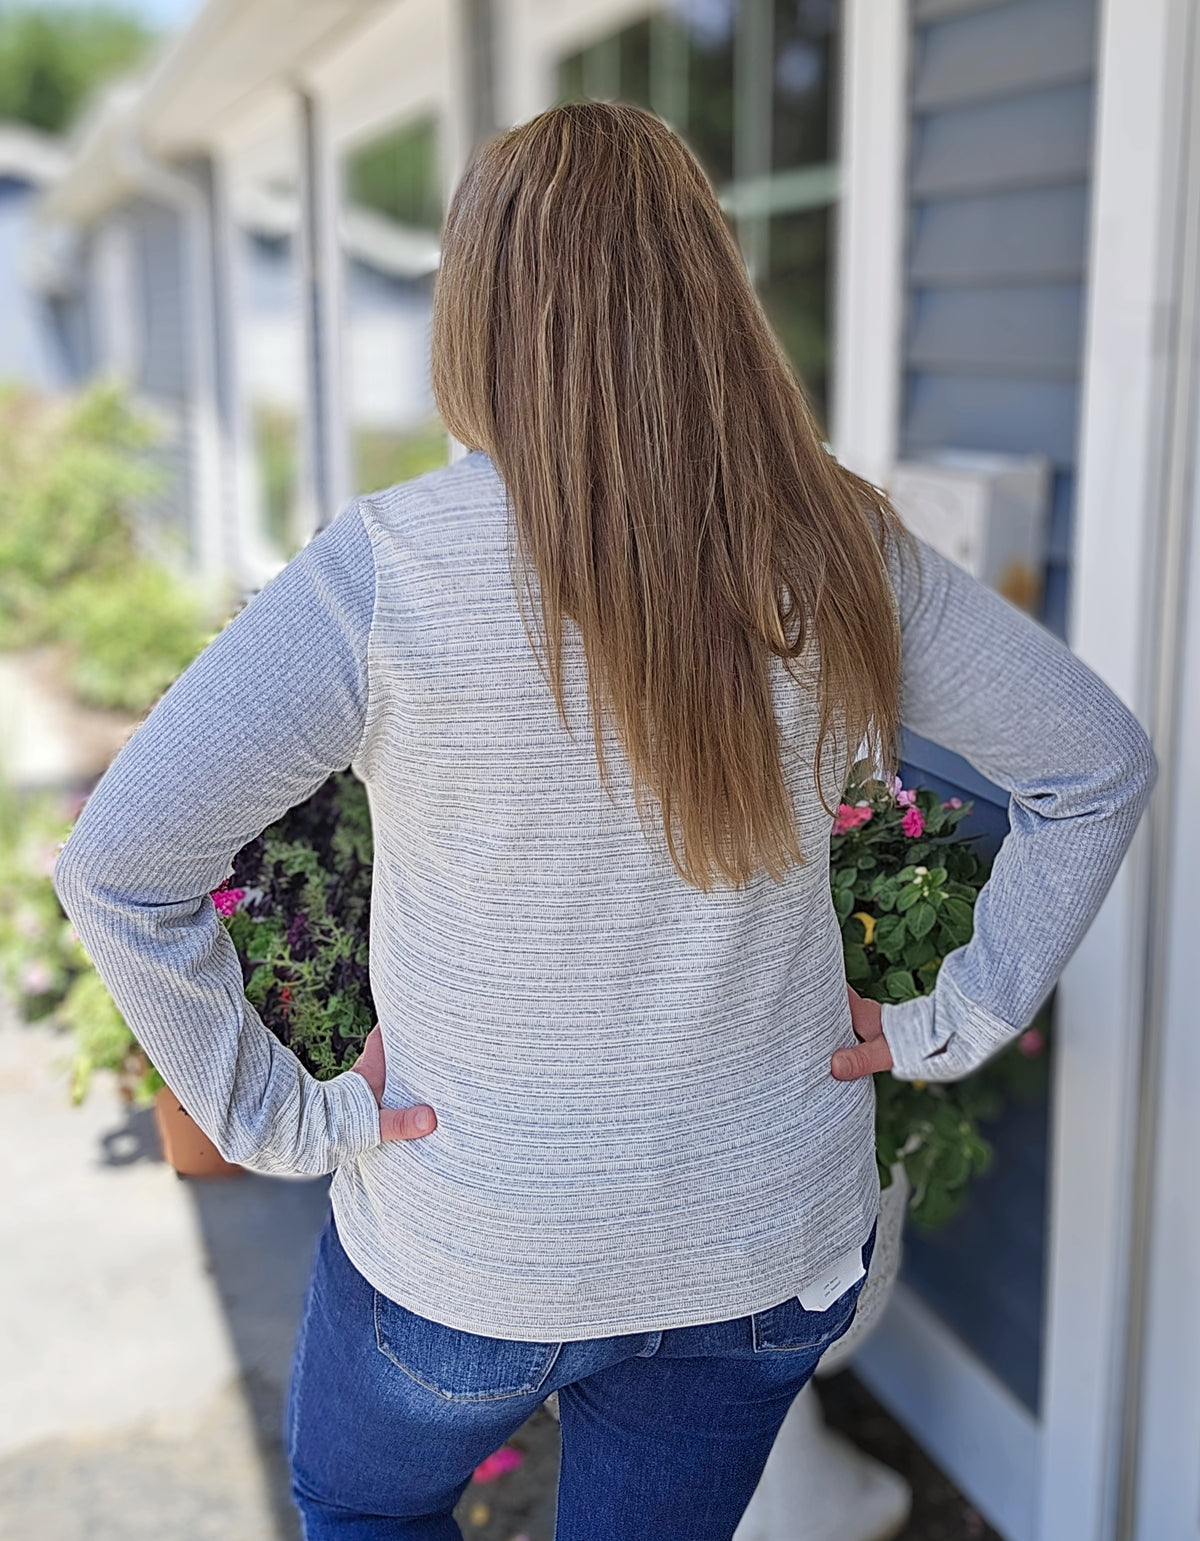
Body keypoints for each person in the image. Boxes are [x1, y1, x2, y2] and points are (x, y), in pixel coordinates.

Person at [53, 102, 1156, 1540]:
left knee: (359, 1505)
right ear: (711, 295)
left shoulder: (388, 574)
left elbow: (120, 866)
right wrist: (951, 1020)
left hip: (473, 1243)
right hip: (758, 1247)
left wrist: (284, 1121)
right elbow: (1095, 767)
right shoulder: (832, 543)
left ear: (475, 315)